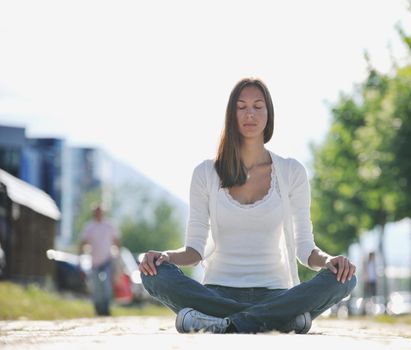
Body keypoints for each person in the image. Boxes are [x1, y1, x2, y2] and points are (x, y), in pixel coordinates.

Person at [139, 77, 357, 334]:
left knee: (346, 278)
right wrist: (164, 257)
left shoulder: (291, 172)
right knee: (152, 272)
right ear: (231, 114)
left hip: (276, 294)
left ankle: (222, 322)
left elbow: (305, 249)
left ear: (269, 113)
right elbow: (194, 250)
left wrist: (331, 260)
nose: (249, 113)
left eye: (257, 106)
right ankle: (279, 321)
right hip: (217, 293)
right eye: (241, 107)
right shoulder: (205, 173)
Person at [79, 204, 120, 316]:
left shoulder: (109, 226)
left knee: (106, 286)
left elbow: (116, 241)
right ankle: (98, 310)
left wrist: (117, 256)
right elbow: (83, 242)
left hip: (107, 260)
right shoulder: (89, 227)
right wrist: (80, 257)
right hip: (94, 262)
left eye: (100, 212)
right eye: (96, 212)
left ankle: (106, 310)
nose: (98, 214)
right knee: (96, 288)